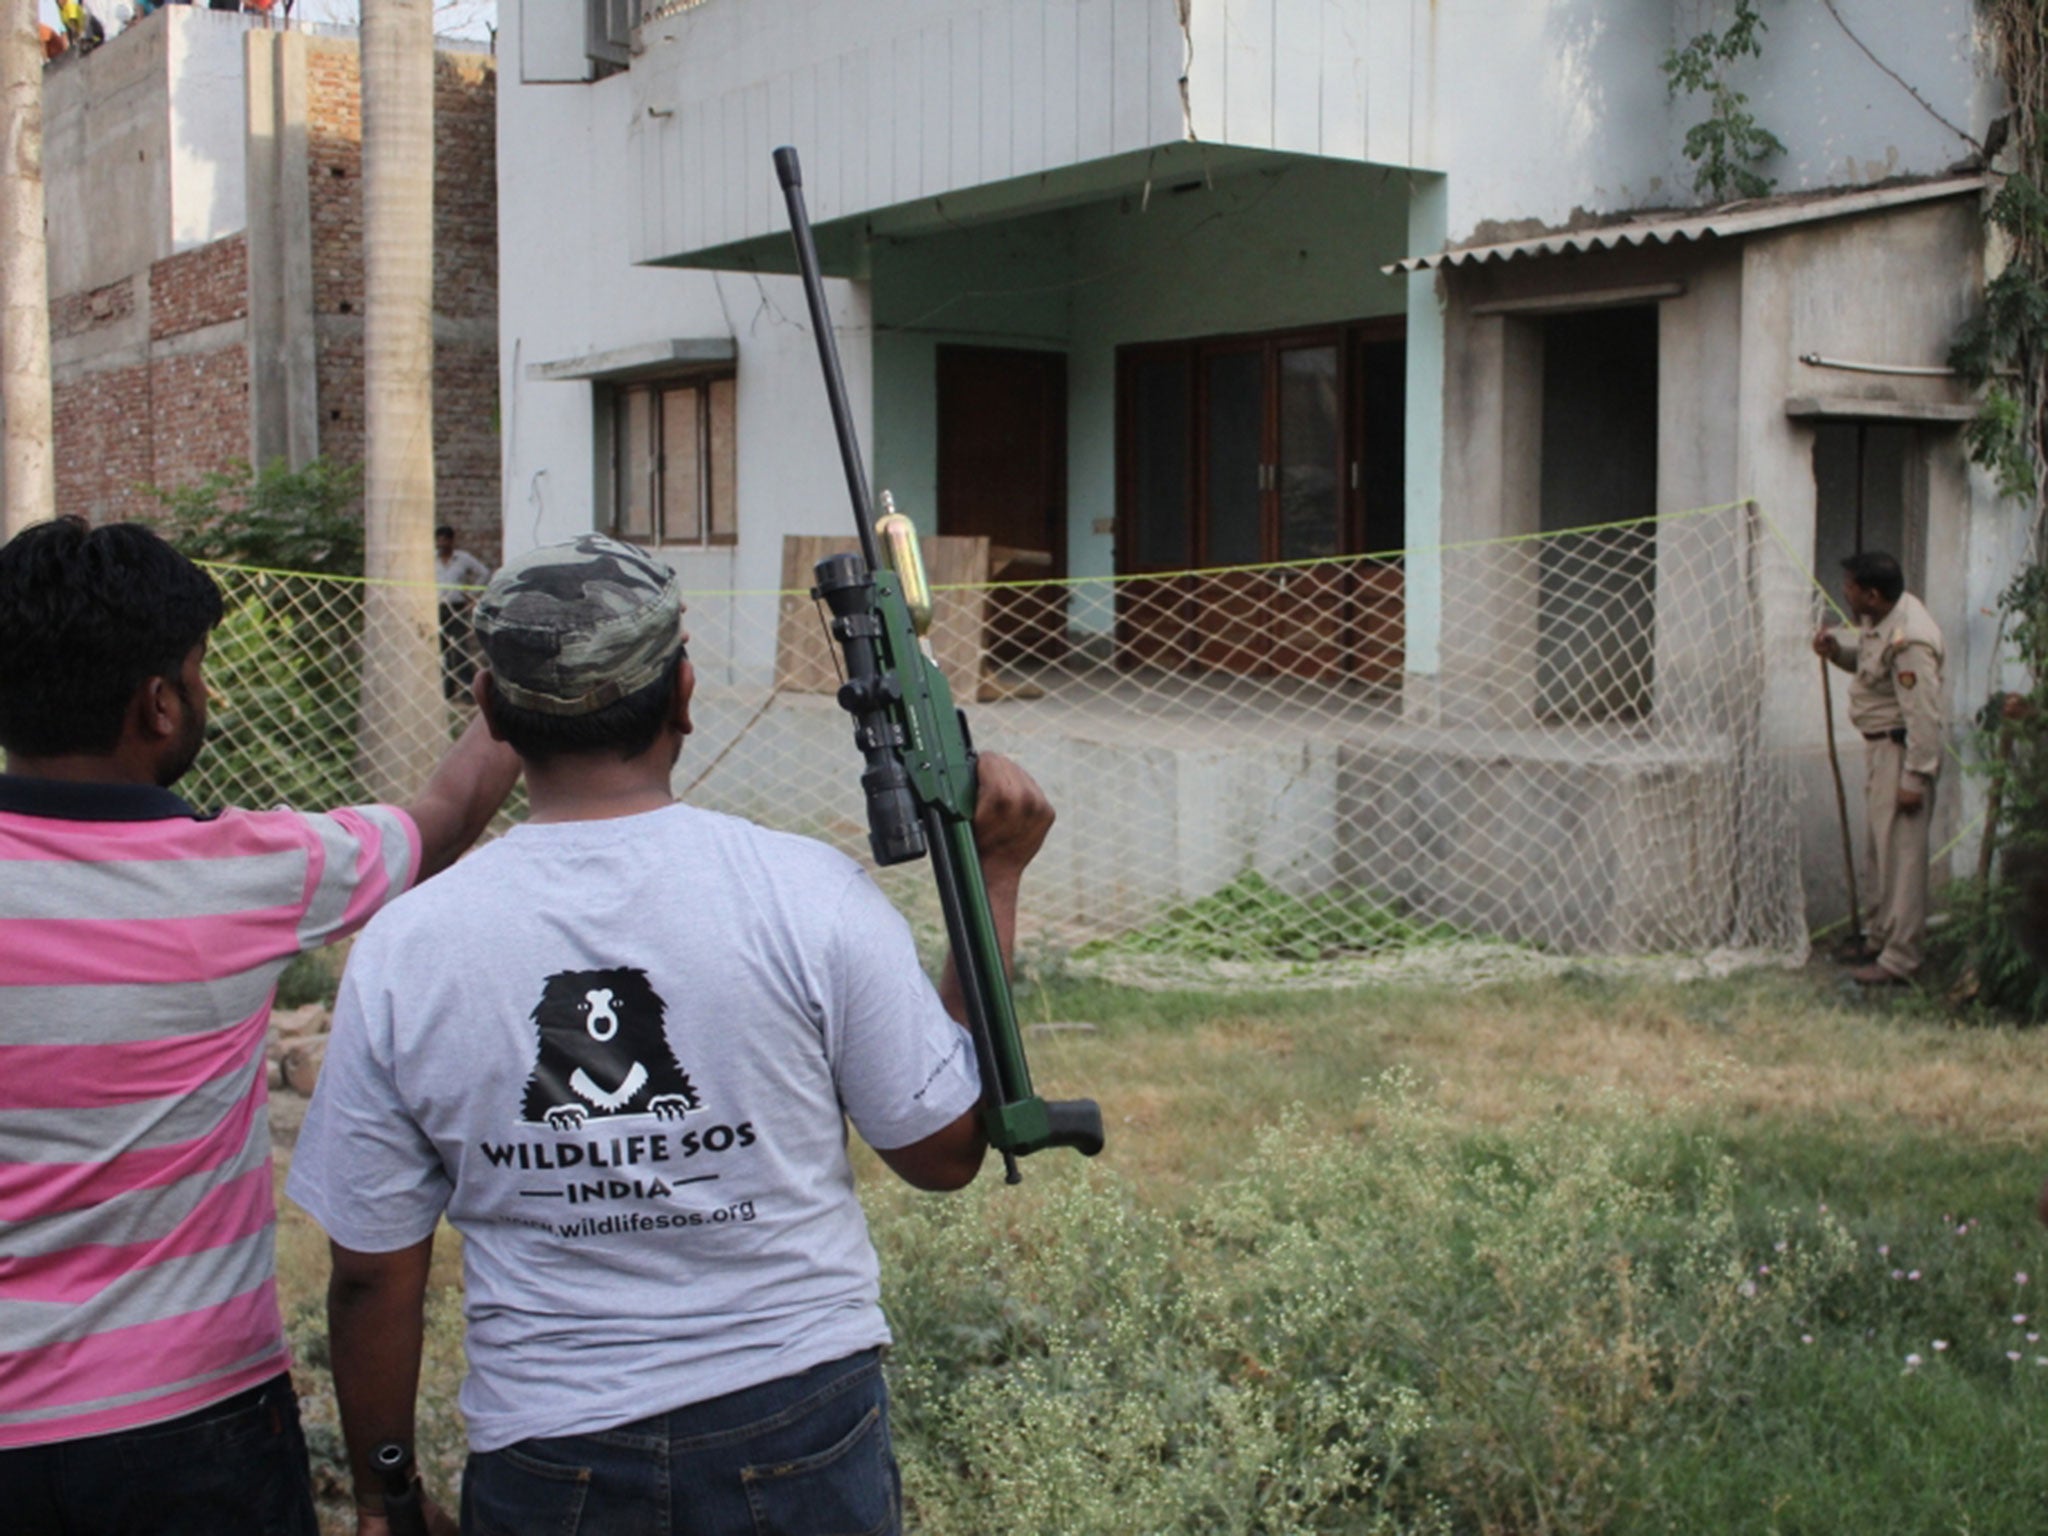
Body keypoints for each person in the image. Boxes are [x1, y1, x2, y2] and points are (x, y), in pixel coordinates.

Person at [286, 533, 1054, 1536]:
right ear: (684, 694)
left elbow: (371, 1270)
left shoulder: (406, 948)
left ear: (486, 709)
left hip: (548, 1454)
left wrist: (390, 1488)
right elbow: (946, 1149)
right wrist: (992, 878)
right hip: (798, 1424)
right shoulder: (805, 896)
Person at [0, 517, 521, 1536]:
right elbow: (443, 821)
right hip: (188, 1425)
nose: (207, 693)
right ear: (158, 705)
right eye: (198, 672)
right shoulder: (246, 876)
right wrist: (509, 686)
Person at [1812, 549, 1946, 986]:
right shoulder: (1880, 621)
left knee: (1902, 860)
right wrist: (1837, 652)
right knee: (1880, 853)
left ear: (1871, 594)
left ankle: (1901, 959)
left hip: (1901, 754)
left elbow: (1925, 713)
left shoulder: (1911, 640)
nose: (1845, 594)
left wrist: (1915, 776)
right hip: (1880, 752)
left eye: (1851, 588)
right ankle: (1879, 936)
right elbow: (1872, 671)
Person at [434, 525, 492, 703]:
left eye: (445, 539)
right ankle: (446, 692)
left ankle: (468, 692)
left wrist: (471, 594)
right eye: (439, 539)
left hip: (457, 606)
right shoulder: (430, 559)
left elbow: (484, 573)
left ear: (452, 541)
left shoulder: (462, 558)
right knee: (441, 650)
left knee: (460, 649)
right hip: (437, 607)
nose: (442, 543)